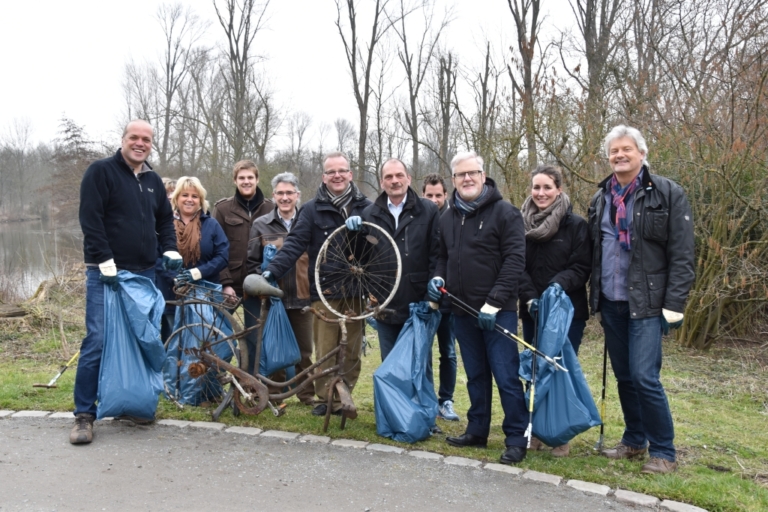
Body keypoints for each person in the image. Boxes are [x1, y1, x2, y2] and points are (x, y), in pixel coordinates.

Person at [588, 125, 694, 474]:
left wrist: (674, 304)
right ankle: (635, 439)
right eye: (614, 151)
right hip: (612, 301)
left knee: (645, 376)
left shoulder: (667, 193)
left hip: (648, 304)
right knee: (624, 376)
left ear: (642, 153)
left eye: (626, 150)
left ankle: (664, 451)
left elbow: (682, 255)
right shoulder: (600, 198)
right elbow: (596, 251)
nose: (620, 155)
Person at [73, 119, 182, 444]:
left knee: (141, 339)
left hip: (144, 272)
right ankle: (83, 415)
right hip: (105, 273)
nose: (140, 143)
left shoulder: (151, 180)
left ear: (151, 144)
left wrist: (170, 248)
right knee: (98, 340)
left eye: (146, 139)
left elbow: (164, 219)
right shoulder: (101, 171)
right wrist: (103, 257)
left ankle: (132, 404)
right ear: (123, 140)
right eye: (134, 137)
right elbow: (89, 217)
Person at [428, 151, 529, 465]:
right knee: (475, 376)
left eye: (472, 173)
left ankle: (516, 438)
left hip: (498, 312)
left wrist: (495, 302)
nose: (467, 179)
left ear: (483, 176)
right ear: (454, 179)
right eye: (460, 175)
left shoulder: (506, 213)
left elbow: (515, 261)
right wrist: (437, 277)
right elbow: (442, 256)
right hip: (461, 311)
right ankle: (477, 430)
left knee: (506, 376)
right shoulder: (447, 217)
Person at [263, 152, 372, 417]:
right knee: (325, 349)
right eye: (331, 172)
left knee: (352, 350)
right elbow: (294, 245)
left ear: (350, 174)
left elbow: (376, 249)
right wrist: (272, 271)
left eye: (342, 170)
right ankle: (326, 399)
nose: (337, 175)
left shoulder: (367, 207)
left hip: (355, 290)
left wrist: (362, 234)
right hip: (324, 290)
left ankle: (344, 394)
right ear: (324, 177)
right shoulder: (311, 209)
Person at [518, 164, 592, 457]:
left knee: (559, 371)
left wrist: (556, 287)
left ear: (559, 189)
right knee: (534, 371)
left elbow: (581, 266)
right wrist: (530, 297)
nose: (541, 193)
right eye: (536, 187)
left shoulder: (576, 226)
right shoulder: (520, 224)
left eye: (547, 187)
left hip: (566, 313)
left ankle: (560, 434)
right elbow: (516, 264)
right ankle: (535, 430)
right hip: (532, 311)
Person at [352, 159, 439, 362]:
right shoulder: (369, 214)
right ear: (382, 182)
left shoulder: (427, 210)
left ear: (408, 178)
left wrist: (429, 298)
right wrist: (353, 235)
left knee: (419, 366)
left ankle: (419, 396)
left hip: (418, 302)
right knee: (390, 366)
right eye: (389, 177)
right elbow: (362, 260)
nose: (395, 181)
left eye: (399, 175)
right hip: (385, 305)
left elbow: (437, 254)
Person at [246, 172, 314, 406]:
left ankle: (307, 396)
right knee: (274, 350)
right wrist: (263, 285)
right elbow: (252, 263)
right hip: (273, 300)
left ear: (298, 195)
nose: (285, 198)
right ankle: (276, 396)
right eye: (280, 193)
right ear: (273, 196)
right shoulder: (260, 224)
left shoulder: (308, 221)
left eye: (289, 193)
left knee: (304, 352)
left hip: (304, 298)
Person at [212, 160, 273, 375]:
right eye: (241, 178)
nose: (246, 182)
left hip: (258, 285)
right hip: (230, 284)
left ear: (257, 179)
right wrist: (225, 283)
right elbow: (215, 248)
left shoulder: (271, 207)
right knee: (217, 335)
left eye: (250, 177)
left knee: (255, 337)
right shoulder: (222, 208)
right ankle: (213, 383)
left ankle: (252, 383)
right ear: (235, 180)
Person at [421, 173, 460, 422]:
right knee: (423, 352)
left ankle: (446, 400)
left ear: (446, 195)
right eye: (429, 195)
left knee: (448, 351)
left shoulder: (455, 218)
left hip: (449, 297)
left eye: (438, 195)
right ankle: (426, 400)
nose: (434, 200)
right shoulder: (418, 216)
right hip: (424, 296)